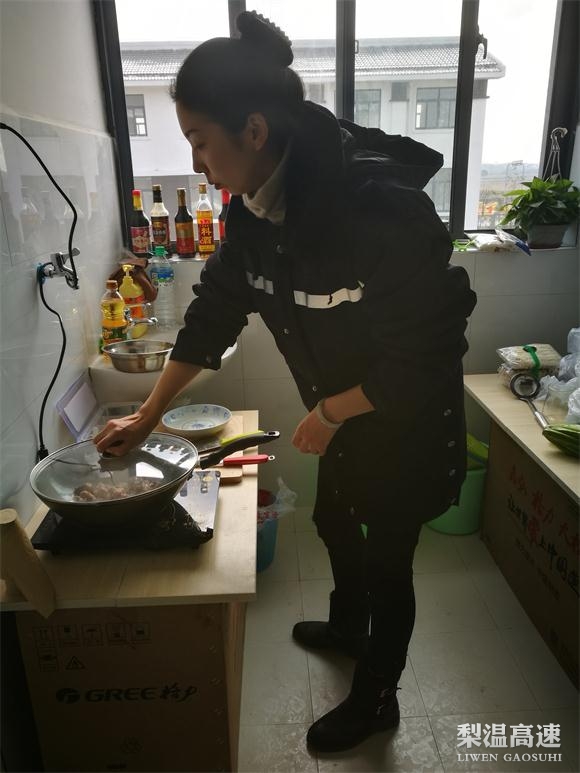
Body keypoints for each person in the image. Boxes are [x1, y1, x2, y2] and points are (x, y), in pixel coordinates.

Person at [95, 11, 477, 753]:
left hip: (407, 419)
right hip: (344, 415)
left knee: (388, 559)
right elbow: (211, 317)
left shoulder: (376, 209)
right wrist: (146, 416)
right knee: (334, 519)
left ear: (255, 131)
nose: (197, 162)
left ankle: (378, 697)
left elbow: (426, 356)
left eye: (200, 140)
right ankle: (349, 626)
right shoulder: (252, 215)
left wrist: (331, 412)